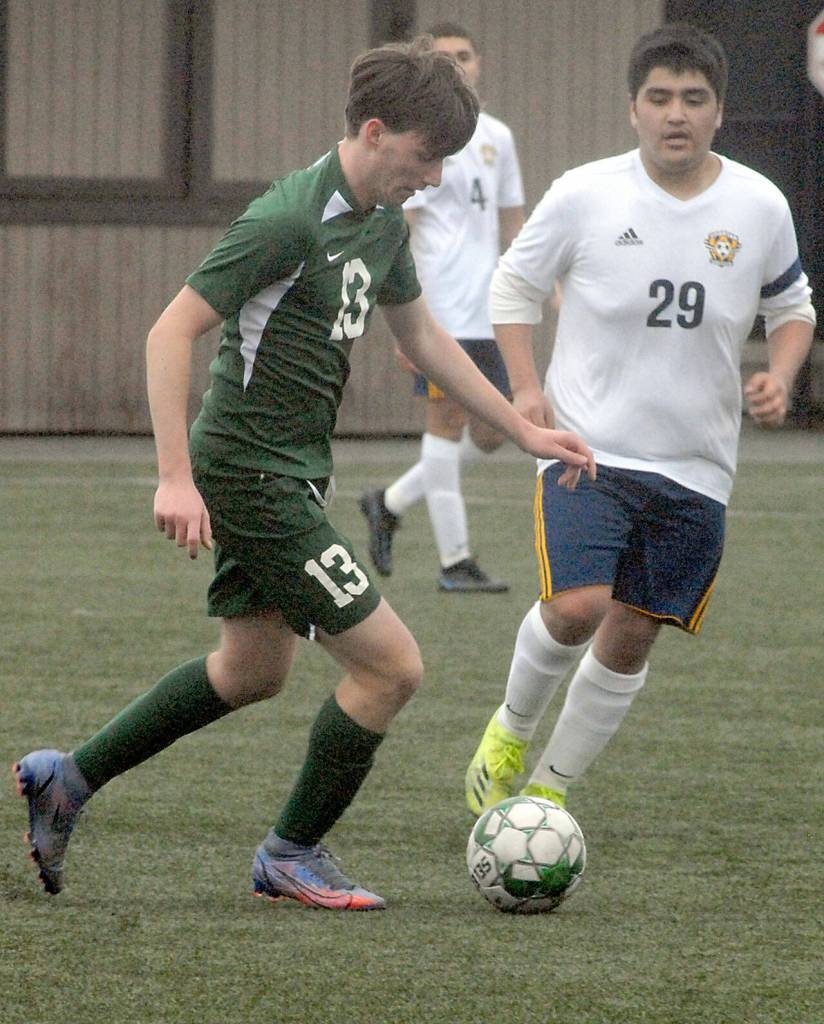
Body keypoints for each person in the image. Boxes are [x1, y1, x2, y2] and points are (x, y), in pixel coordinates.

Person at [12, 37, 595, 912]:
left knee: (251, 669)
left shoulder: (383, 221)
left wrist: (521, 427)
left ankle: (68, 779)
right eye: (426, 157)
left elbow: (422, 337)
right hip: (251, 477)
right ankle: (291, 853)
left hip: (293, 473)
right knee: (392, 668)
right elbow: (169, 333)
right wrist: (174, 476)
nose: (434, 178)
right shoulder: (286, 220)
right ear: (375, 131)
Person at [465, 22, 815, 817]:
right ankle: (511, 728)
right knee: (577, 608)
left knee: (633, 631)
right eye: (659, 98)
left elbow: (792, 307)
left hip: (697, 462)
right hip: (588, 446)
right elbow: (514, 285)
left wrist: (782, 374)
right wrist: (525, 389)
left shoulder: (759, 205)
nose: (675, 114)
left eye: (693, 98)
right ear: (633, 109)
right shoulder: (586, 193)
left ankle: (549, 794)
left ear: (719, 110)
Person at [359, 22, 526, 593]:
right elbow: (399, 228)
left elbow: (512, 222)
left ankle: (389, 501)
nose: (458, 64)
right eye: (444, 56)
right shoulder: (419, 142)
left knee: (494, 429)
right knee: (448, 423)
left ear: (480, 63)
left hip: (488, 308)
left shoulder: (499, 138)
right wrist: (407, 320)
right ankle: (455, 562)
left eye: (465, 55)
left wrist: (535, 280)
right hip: (440, 310)